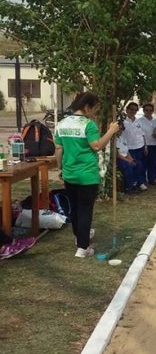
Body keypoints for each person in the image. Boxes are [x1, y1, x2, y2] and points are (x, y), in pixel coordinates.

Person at [54, 92, 120, 258]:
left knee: (75, 209)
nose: (95, 113)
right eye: (95, 109)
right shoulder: (88, 125)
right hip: (87, 175)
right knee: (85, 211)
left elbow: (58, 149)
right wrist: (111, 131)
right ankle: (83, 247)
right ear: (86, 107)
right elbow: (97, 146)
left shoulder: (61, 124)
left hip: (69, 174)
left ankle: (79, 239)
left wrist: (60, 168)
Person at [123, 102, 147, 190]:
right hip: (129, 148)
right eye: (131, 109)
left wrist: (145, 146)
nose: (133, 111)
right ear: (127, 110)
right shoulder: (123, 121)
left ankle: (140, 182)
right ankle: (132, 183)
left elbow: (142, 134)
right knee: (132, 165)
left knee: (140, 165)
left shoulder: (138, 121)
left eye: (135, 110)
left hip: (139, 146)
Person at [139, 103, 156, 185]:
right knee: (144, 163)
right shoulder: (140, 121)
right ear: (144, 111)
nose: (148, 112)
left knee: (154, 163)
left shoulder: (155, 121)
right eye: (146, 110)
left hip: (154, 144)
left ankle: (152, 179)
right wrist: (144, 146)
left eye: (150, 110)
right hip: (145, 145)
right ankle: (143, 180)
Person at [115, 121, 137, 193]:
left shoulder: (122, 138)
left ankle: (136, 184)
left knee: (138, 164)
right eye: (119, 129)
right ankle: (128, 187)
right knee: (128, 166)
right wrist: (128, 161)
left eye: (122, 129)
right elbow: (117, 155)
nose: (120, 131)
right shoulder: (114, 140)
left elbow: (127, 151)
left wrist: (131, 159)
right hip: (119, 159)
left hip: (125, 158)